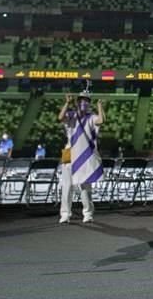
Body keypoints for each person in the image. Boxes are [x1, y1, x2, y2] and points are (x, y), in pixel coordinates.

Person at [58, 86, 105, 224]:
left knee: (85, 186)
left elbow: (101, 121)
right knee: (67, 186)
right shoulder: (71, 115)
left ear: (89, 103)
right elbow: (60, 117)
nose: (83, 103)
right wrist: (67, 103)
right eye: (81, 100)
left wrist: (100, 106)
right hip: (70, 153)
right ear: (77, 102)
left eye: (86, 101)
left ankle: (88, 213)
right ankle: (65, 214)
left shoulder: (91, 117)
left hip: (85, 154)